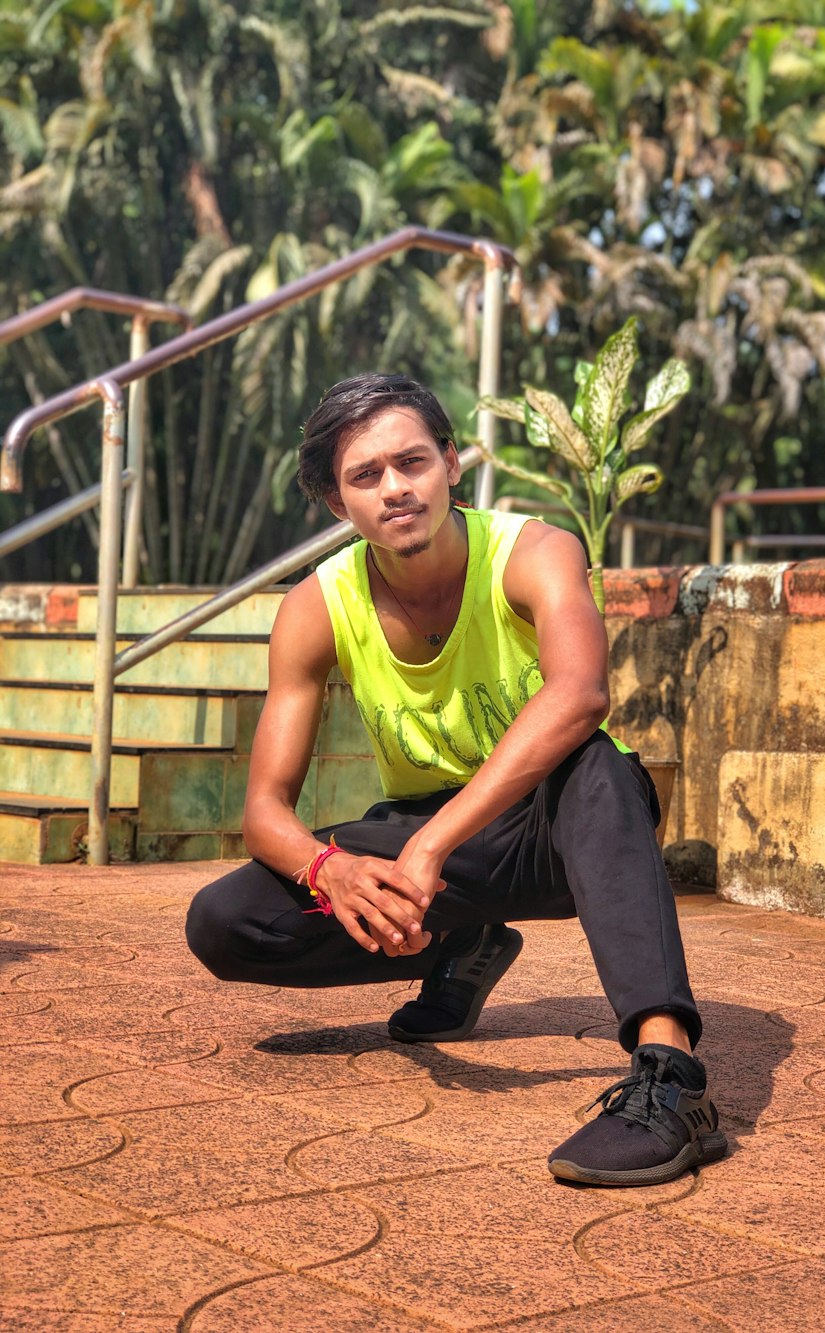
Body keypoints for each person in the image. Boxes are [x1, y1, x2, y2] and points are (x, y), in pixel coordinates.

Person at [186, 372, 727, 1187]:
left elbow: (581, 692)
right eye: (365, 476)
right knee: (226, 919)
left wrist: (432, 847)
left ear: (450, 464)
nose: (395, 488)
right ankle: (460, 940)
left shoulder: (534, 552)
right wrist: (331, 870)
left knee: (594, 764)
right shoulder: (315, 607)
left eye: (412, 462)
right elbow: (264, 810)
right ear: (339, 504)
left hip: (561, 829)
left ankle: (668, 1077)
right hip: (428, 839)